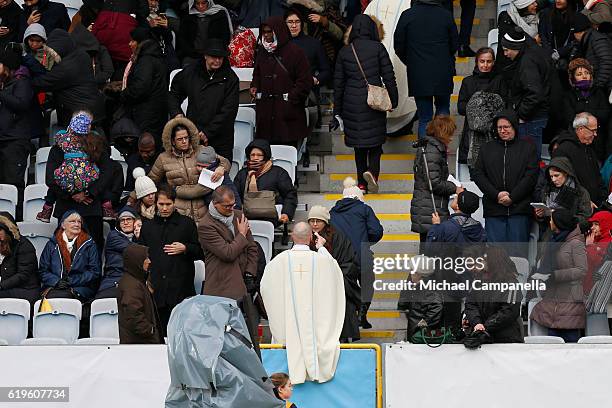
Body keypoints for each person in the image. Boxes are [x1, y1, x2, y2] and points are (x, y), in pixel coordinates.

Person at [260, 222, 345, 384]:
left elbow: (266, 288)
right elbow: (335, 274)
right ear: (311, 238)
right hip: (315, 330)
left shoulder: (279, 261)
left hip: (288, 331)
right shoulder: (322, 260)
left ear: (292, 236)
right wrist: (322, 248)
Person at [332, 13, 398, 193]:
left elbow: (338, 83)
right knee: (375, 143)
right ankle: (373, 173)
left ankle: (361, 182)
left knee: (358, 147)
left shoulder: (345, 51)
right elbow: (389, 76)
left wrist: (336, 111)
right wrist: (394, 99)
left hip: (351, 103)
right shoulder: (378, 48)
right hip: (373, 102)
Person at [198, 186, 260, 353]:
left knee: (247, 335)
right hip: (221, 286)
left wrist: (250, 272)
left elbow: (252, 248)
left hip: (243, 283)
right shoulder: (205, 225)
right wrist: (241, 235)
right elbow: (227, 253)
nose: (231, 209)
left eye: (233, 204)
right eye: (227, 206)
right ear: (215, 204)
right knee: (222, 337)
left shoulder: (239, 216)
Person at [137, 184, 203, 335]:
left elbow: (200, 252)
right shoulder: (148, 227)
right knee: (160, 334)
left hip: (181, 288)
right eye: (161, 204)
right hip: (156, 288)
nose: (165, 208)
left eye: (168, 204)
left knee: (182, 333)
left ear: (174, 203)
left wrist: (185, 248)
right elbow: (141, 255)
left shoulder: (186, 224)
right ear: (155, 204)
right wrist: (146, 280)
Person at [471, 110, 539, 244]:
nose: (503, 131)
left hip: (519, 210)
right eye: (499, 127)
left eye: (506, 127)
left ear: (514, 127)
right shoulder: (486, 149)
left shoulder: (527, 148)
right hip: (494, 209)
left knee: (518, 254)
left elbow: (531, 176)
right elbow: (478, 174)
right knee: (495, 255)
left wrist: (513, 197)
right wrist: (496, 195)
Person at [148, 117, 231, 225]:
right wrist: (132, 198)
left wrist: (221, 168)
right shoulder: (163, 158)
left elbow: (225, 163)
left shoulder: (201, 150)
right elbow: (151, 180)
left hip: (204, 208)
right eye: (180, 139)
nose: (184, 141)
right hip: (178, 210)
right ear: (172, 141)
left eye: (186, 138)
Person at [36, 112, 115, 225]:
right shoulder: (96, 144)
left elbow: (107, 172)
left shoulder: (61, 144)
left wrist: (75, 194)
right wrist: (87, 194)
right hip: (83, 207)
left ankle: (46, 209)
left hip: (82, 208)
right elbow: (106, 173)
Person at [394, 0, 458, 138]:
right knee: (443, 111)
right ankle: (440, 153)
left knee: (424, 117)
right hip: (443, 71)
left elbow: (398, 45)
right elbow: (454, 45)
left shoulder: (408, 15)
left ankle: (424, 157)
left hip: (418, 73)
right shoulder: (446, 15)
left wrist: (411, 62)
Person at [169, 39, 239, 161]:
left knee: (219, 175)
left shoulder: (231, 79)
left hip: (221, 139)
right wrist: (177, 113)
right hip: (193, 134)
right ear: (205, 55)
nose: (217, 61)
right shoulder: (191, 72)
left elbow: (229, 111)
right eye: (213, 57)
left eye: (220, 57)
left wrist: (208, 132)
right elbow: (173, 93)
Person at [250, 16, 312, 147]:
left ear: (278, 31)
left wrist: (291, 98)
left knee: (287, 154)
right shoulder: (261, 51)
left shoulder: (295, 52)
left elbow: (305, 81)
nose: (266, 35)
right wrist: (254, 86)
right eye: (264, 32)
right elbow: (257, 73)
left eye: (269, 31)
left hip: (288, 116)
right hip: (266, 116)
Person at [330, 177, 383, 329]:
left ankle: (349, 319)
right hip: (362, 254)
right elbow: (377, 231)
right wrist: (366, 241)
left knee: (346, 288)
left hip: (340, 258)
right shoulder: (365, 209)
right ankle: (362, 314)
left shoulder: (333, 212)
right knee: (367, 283)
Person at [531, 209, 587, 343]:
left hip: (570, 298)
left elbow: (582, 270)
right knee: (553, 345)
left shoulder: (576, 243)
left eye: (552, 219)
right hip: (553, 297)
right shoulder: (554, 240)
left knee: (570, 344)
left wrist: (554, 276)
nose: (550, 222)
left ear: (558, 223)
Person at [31, 29, 105, 126]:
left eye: (54, 51)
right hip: (90, 109)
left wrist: (23, 77)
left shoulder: (67, 67)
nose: (53, 55)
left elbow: (41, 83)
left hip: (81, 114)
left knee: (78, 140)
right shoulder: (80, 55)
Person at [308, 205, 361, 342]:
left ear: (325, 222)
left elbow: (349, 263)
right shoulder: (304, 237)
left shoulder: (339, 238)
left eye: (318, 221)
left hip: (336, 285)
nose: (314, 224)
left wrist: (334, 277)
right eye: (311, 220)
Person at [410, 116, 464, 242]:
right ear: (443, 133)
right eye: (450, 133)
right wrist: (455, 188)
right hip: (431, 207)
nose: (451, 138)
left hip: (428, 206)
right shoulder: (432, 151)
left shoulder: (430, 148)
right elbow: (433, 182)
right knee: (433, 252)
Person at [501, 30, 552, 161]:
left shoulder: (527, 62)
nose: (505, 54)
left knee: (529, 160)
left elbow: (534, 94)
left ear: (515, 47)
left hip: (531, 120)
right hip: (535, 117)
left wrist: (521, 115)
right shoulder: (531, 55)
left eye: (507, 50)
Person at [38, 210, 101, 303]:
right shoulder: (52, 244)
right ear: (63, 225)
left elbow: (94, 272)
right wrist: (56, 282)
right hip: (54, 286)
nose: (77, 224)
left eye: (79, 222)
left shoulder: (89, 244)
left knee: (62, 297)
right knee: (53, 298)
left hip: (81, 288)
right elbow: (43, 271)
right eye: (72, 221)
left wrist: (71, 281)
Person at [464, 246, 524, 343]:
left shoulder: (511, 283)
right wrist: (477, 323)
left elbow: (509, 311)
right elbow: (470, 304)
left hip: (505, 339)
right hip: (482, 336)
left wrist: (485, 326)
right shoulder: (478, 281)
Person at [457, 47, 505, 165]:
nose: (485, 65)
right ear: (477, 62)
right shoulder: (468, 81)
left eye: (488, 61)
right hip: (472, 132)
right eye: (482, 61)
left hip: (494, 131)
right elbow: (461, 108)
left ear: (493, 62)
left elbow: (504, 105)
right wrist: (480, 105)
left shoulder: (500, 80)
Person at [233, 139, 297, 227]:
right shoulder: (242, 174)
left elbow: (290, 194)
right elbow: (234, 195)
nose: (255, 158)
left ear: (266, 156)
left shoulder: (278, 173)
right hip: (246, 219)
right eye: (253, 155)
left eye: (259, 155)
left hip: (272, 219)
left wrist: (286, 213)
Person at [121, 27, 168, 143]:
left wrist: (122, 94)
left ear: (140, 42)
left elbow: (140, 88)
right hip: (154, 112)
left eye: (132, 41)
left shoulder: (146, 60)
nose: (129, 44)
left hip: (146, 114)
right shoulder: (155, 56)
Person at [552, 112, 608, 207]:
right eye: (593, 130)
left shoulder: (588, 148)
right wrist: (584, 202)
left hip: (594, 208)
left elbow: (598, 179)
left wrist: (602, 200)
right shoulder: (562, 151)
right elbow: (560, 184)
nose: (595, 134)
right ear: (581, 129)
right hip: (575, 212)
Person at [560, 58, 611, 160]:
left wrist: (584, 116)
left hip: (598, 140)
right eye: (579, 74)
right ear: (573, 78)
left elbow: (605, 113)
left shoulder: (599, 92)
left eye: (586, 73)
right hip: (577, 140)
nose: (584, 76)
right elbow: (568, 118)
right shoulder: (569, 95)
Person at [0, 49, 33, 202]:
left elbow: (22, 104)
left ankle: (15, 219)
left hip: (15, 141)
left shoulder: (22, 82)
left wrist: (2, 94)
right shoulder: (6, 83)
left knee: (13, 183)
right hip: (4, 138)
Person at [117, 243, 164, 344]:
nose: (149, 261)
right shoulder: (131, 286)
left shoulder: (136, 280)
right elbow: (133, 314)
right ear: (136, 261)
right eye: (146, 258)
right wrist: (150, 330)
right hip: (140, 345)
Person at [534, 156, 592, 232]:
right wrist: (541, 215)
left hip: (571, 234)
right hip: (551, 233)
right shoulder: (547, 190)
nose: (553, 180)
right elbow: (545, 220)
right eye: (551, 176)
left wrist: (565, 219)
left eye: (556, 175)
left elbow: (586, 218)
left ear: (566, 173)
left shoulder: (580, 192)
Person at [95, 207, 138, 299]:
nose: (125, 223)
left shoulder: (142, 236)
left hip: (135, 280)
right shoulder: (113, 235)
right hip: (115, 278)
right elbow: (136, 250)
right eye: (122, 220)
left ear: (136, 221)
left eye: (129, 219)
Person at [177, 0, 233, 66]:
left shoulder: (219, 14)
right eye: (197, 3)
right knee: (188, 70)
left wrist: (215, 53)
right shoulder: (188, 14)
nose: (201, 6)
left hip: (215, 54)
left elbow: (225, 37)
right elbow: (182, 38)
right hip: (193, 55)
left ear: (208, 2)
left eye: (203, 3)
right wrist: (191, 53)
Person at [0, 212, 40, 304]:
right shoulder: (2, 244)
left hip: (26, 290)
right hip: (7, 287)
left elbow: (23, 275)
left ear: (8, 231)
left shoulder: (24, 246)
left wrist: (1, 285)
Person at [572, 12, 612, 92]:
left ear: (577, 32)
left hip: (607, 87)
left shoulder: (597, 39)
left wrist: (597, 85)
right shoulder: (588, 40)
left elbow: (607, 63)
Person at [496, 0, 539, 71]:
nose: (536, 4)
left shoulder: (534, 19)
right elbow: (512, 45)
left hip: (527, 65)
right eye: (532, 3)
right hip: (508, 67)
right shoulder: (506, 18)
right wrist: (533, 41)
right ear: (523, 5)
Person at [70, 23, 114, 88]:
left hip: (77, 88)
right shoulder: (100, 49)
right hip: (95, 88)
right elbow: (108, 71)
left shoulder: (72, 49)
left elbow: (108, 71)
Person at [584, 209, 612, 294]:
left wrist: (590, 246)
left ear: (606, 225)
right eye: (592, 224)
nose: (592, 227)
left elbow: (600, 263)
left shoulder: (608, 242)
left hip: (594, 290)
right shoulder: (595, 239)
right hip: (587, 285)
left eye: (596, 224)